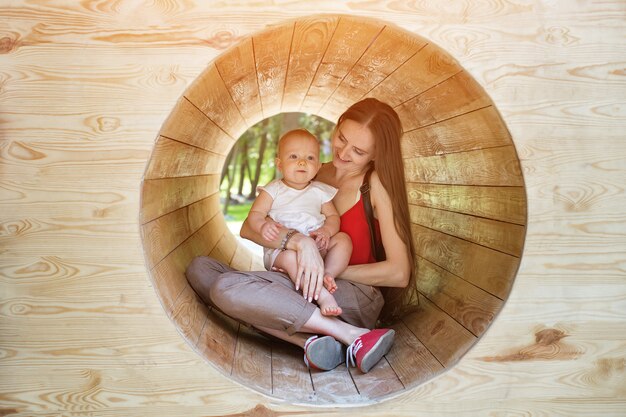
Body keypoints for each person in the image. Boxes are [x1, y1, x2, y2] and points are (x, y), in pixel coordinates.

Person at [186, 98, 417, 373]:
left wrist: (324, 273)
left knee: (225, 289)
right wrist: (298, 243)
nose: (343, 153)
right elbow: (249, 228)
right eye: (341, 138)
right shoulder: (313, 172)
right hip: (295, 280)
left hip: (349, 293)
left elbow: (399, 273)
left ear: (376, 154)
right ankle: (318, 340)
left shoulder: (375, 184)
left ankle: (353, 334)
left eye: (358, 151)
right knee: (201, 269)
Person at [244, 129, 352, 317]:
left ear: (318, 166)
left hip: (317, 244)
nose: (302, 162)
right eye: (293, 156)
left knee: (343, 240)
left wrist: (326, 231)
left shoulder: (321, 191)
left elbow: (334, 218)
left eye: (310, 158)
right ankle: (323, 295)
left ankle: (327, 274)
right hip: (283, 250)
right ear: (279, 164)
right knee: (291, 259)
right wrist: (262, 225)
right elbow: (255, 214)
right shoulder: (272, 190)